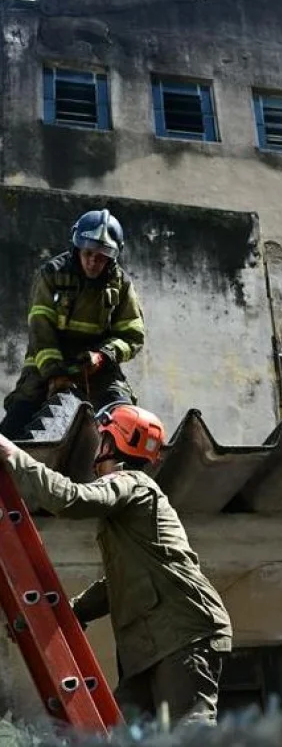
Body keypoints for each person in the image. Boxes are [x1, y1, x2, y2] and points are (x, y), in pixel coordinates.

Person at [0, 403, 232, 725]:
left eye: (103, 441)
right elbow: (119, 584)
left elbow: (69, 499)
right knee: (117, 730)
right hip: (150, 645)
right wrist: (68, 613)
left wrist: (12, 454)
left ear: (114, 443)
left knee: (190, 731)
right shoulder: (131, 507)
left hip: (181, 634)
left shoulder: (132, 483)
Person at [0, 209, 144, 439]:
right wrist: (55, 373)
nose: (93, 261)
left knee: (126, 422)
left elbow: (132, 335)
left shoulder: (121, 284)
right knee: (14, 428)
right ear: (77, 248)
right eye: (88, 253)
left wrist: (103, 356)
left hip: (98, 369)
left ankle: (126, 473)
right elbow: (41, 330)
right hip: (47, 364)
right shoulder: (52, 274)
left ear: (113, 256)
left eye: (102, 256)